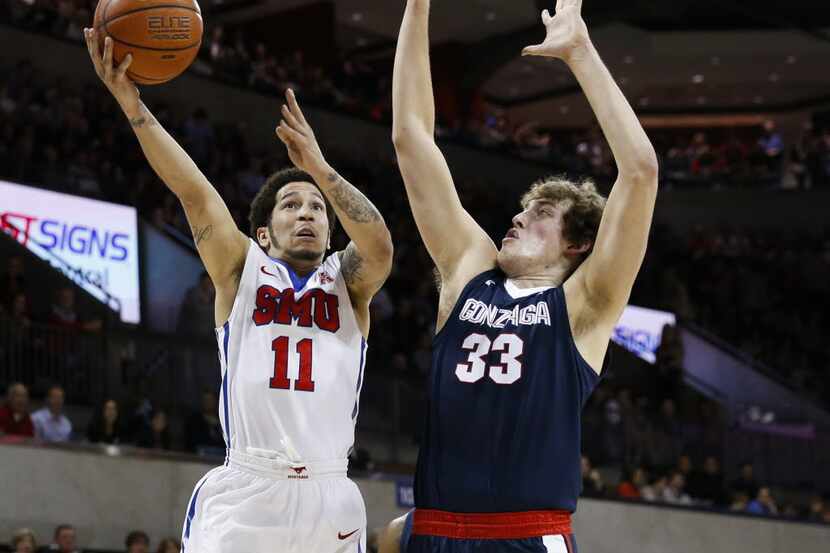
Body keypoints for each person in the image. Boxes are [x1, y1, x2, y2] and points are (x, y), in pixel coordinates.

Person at [84, 24, 393, 553]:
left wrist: (318, 169)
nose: (308, 214)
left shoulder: (349, 283)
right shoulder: (241, 270)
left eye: (317, 208)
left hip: (330, 493)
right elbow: (193, 192)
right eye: (293, 205)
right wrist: (132, 104)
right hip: (249, 484)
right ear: (264, 233)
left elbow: (381, 243)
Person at [382, 1, 658, 552]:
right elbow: (411, 138)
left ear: (579, 243)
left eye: (540, 215)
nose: (517, 217)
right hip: (434, 529)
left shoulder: (585, 305)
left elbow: (641, 170)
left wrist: (580, 55)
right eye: (521, 209)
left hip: (524, 537)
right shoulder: (470, 272)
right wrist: (416, 7)